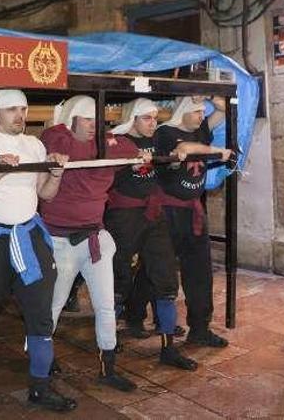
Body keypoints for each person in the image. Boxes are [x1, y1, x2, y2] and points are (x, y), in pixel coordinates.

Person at [0, 89, 77, 412]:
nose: (20, 116)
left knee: (40, 315)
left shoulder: (34, 145)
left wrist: (56, 174)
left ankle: (40, 387)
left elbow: (45, 194)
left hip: (29, 236)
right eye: (12, 110)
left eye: (23, 109)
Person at [41, 95, 139, 392]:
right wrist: (103, 146)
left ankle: (108, 367)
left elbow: (131, 148)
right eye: (86, 119)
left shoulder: (105, 140)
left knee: (106, 305)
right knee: (52, 306)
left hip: (95, 237)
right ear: (70, 118)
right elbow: (57, 141)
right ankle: (41, 362)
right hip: (60, 239)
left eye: (97, 121)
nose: (93, 126)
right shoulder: (56, 137)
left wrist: (105, 142)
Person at [106, 98, 197, 370]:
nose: (153, 123)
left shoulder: (156, 140)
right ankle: (108, 338)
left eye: (155, 118)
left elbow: (164, 168)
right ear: (132, 118)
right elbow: (103, 175)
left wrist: (171, 163)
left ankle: (168, 348)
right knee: (119, 276)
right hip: (123, 217)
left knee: (166, 276)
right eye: (146, 118)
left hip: (152, 214)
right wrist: (125, 165)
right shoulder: (115, 141)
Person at [153, 95, 232, 348]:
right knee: (157, 271)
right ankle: (136, 316)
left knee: (200, 273)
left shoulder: (201, 130)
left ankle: (200, 328)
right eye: (196, 111)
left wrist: (205, 94)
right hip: (167, 211)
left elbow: (222, 109)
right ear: (183, 112)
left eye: (202, 112)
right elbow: (185, 150)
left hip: (193, 211)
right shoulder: (165, 132)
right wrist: (217, 151)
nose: (201, 116)